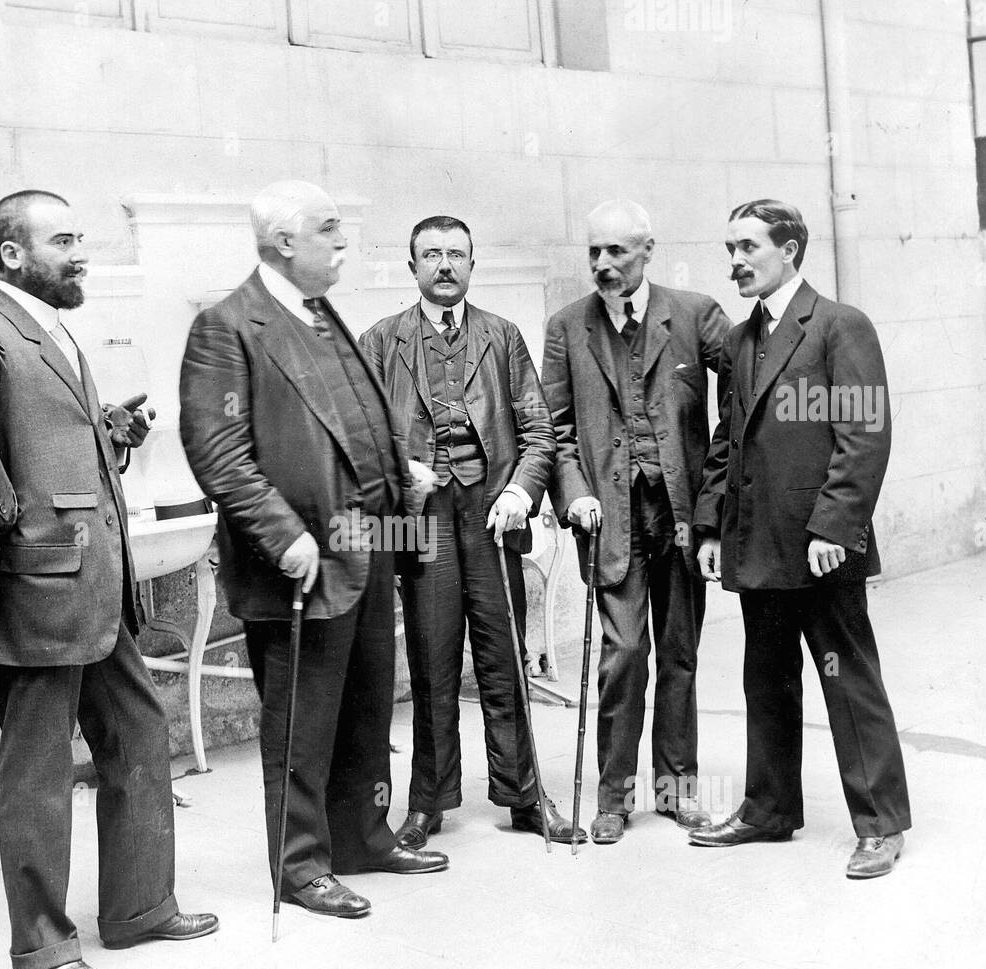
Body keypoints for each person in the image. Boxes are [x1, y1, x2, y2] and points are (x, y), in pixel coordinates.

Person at [0, 190, 217, 969]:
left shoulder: (49, 331)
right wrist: (3, 509)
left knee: (138, 735)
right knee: (40, 773)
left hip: (93, 590)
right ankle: (45, 950)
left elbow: (42, 438)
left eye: (80, 238)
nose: (80, 253)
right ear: (14, 255)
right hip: (38, 591)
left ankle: (139, 907)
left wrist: (104, 432)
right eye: (63, 240)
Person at [179, 180, 448, 921]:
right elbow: (218, 451)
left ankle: (362, 835)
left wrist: (403, 474)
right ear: (284, 242)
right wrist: (283, 535)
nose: (342, 242)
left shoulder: (320, 311)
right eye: (329, 229)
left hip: (367, 541)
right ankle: (299, 867)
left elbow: (359, 415)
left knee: (366, 705)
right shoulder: (227, 327)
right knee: (301, 720)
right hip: (301, 557)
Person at [690, 198, 911, 878]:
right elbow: (729, 441)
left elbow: (864, 434)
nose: (735, 261)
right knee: (767, 680)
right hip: (757, 543)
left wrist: (834, 527)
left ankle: (879, 824)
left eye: (748, 247)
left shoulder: (839, 326)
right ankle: (768, 808)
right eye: (730, 248)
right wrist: (708, 525)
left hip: (820, 547)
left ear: (789, 250)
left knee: (846, 679)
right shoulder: (738, 339)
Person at [359, 215, 581, 848]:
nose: (445, 266)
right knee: (431, 662)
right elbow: (361, 436)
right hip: (423, 523)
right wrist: (403, 471)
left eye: (457, 254)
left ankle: (524, 794)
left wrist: (520, 490)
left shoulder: (503, 337)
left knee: (504, 657)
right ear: (413, 269)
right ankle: (428, 802)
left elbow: (540, 431)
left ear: (472, 265)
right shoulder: (381, 342)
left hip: (491, 515)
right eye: (432, 256)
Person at [543, 199, 729, 844]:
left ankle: (676, 790)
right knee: (623, 657)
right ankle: (615, 798)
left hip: (680, 517)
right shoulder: (567, 327)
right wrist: (573, 494)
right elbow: (557, 431)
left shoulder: (697, 314)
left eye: (617, 251)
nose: (603, 264)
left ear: (647, 250)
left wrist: (717, 501)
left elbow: (747, 393)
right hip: (612, 522)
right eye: (594, 251)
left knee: (680, 654)